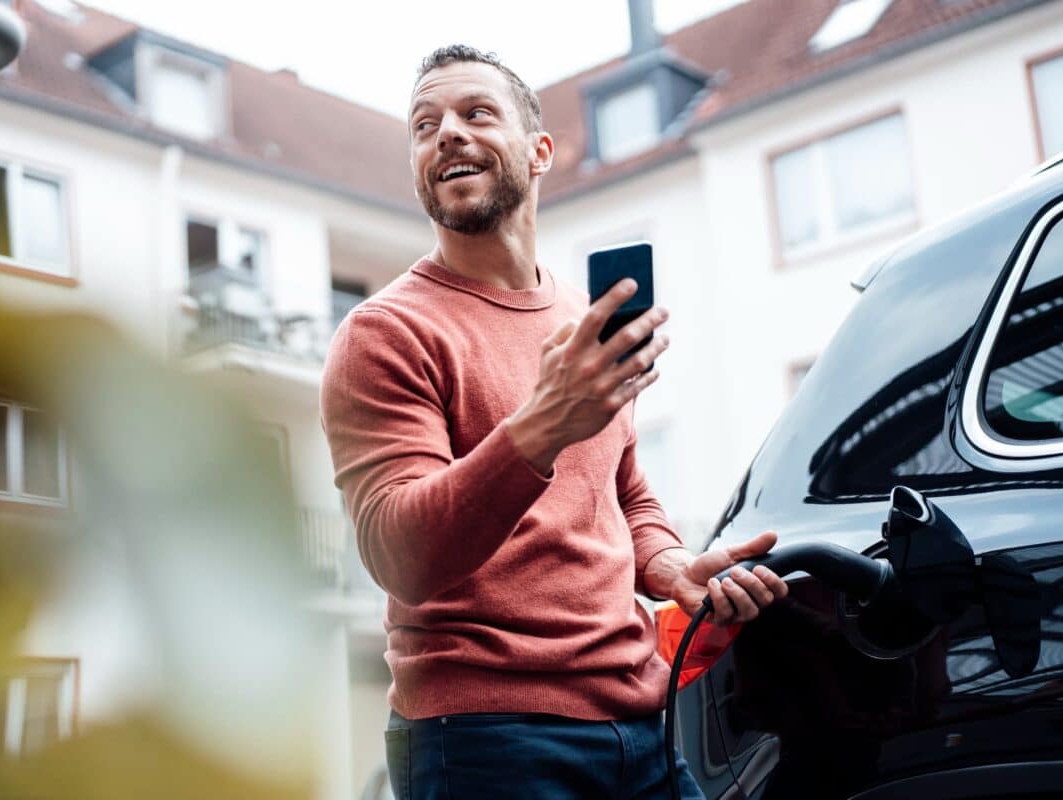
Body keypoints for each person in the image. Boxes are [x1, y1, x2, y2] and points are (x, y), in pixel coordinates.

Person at [319, 44, 788, 800]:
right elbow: (395, 553)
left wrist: (670, 567)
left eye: (476, 113)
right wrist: (541, 425)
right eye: (424, 124)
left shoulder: (581, 321)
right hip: (484, 741)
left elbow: (623, 492)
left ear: (539, 153)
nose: (446, 134)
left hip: (642, 720)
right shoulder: (384, 333)